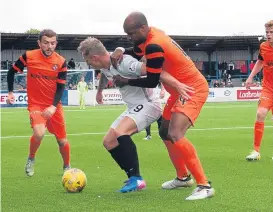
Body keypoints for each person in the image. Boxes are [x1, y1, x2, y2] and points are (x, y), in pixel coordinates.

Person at [111, 12, 215, 200]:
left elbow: (151, 81)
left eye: (132, 33)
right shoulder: (150, 36)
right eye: (127, 34)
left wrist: (125, 80)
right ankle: (183, 178)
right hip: (177, 92)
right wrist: (121, 49)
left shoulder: (154, 44)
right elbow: (136, 51)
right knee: (164, 132)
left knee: (175, 133)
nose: (130, 38)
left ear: (143, 28)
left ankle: (204, 185)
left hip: (191, 90)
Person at [77, 37, 163, 193]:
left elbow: (149, 69)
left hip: (149, 104)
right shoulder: (106, 64)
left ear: (95, 57)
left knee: (121, 132)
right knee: (109, 141)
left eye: (89, 61)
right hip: (132, 107)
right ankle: (132, 177)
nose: (89, 65)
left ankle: (137, 179)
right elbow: (105, 73)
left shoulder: (123, 62)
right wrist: (100, 91)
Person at [6, 29, 71, 177]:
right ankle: (31, 158)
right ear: (39, 43)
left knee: (62, 141)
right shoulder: (29, 56)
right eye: (46, 43)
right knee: (39, 132)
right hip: (36, 104)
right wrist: (11, 92)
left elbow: (61, 87)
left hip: (54, 105)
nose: (49, 46)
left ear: (56, 43)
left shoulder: (61, 61)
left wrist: (53, 106)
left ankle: (67, 167)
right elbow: (11, 72)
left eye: (53, 43)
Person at [245, 20, 273, 161]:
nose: (269, 35)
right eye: (267, 32)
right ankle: (256, 151)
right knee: (260, 113)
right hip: (268, 88)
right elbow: (261, 62)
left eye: (271, 32)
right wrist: (250, 77)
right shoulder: (263, 46)